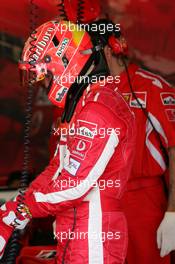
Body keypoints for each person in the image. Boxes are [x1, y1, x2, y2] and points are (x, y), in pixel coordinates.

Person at [0, 19, 136, 263]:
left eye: (45, 75)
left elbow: (75, 185)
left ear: (65, 62)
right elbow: (57, 170)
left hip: (95, 237)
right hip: (74, 232)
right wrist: (19, 205)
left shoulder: (98, 109)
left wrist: (24, 208)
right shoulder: (82, 105)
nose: (43, 84)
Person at [92, 19, 175, 264]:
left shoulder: (152, 87)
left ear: (110, 49)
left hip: (142, 202)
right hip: (99, 201)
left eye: (89, 53)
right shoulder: (90, 92)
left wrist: (173, 211)